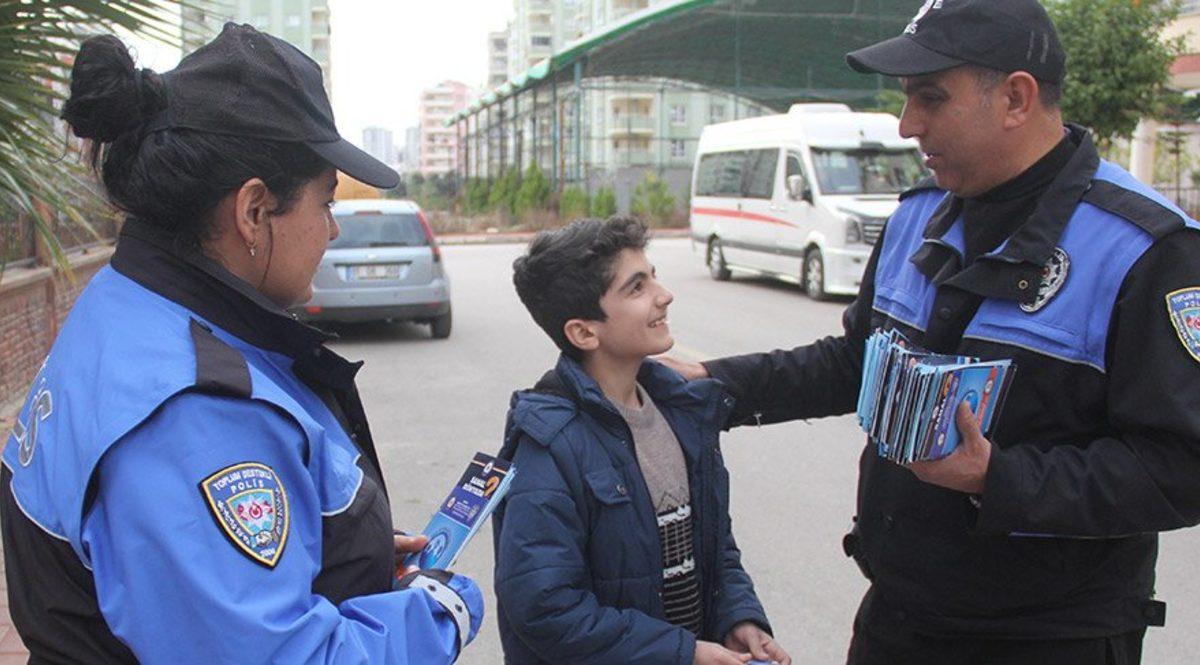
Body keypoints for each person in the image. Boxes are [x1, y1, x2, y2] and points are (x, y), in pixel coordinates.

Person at [660, 1, 1200, 663]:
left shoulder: (1144, 250)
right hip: (899, 616)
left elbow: (1181, 467)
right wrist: (716, 384)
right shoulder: (919, 215)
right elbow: (859, 363)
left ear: (1016, 98)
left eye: (930, 97)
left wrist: (996, 477)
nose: (907, 123)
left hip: (1049, 638)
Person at [0, 25, 482, 662]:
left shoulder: (132, 302)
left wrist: (337, 551)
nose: (332, 231)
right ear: (254, 211)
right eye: (325, 203)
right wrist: (443, 612)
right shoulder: (192, 411)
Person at [494, 217, 790, 665]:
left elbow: (713, 546)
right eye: (636, 288)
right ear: (584, 332)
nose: (663, 295)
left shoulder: (681, 411)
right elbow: (544, 608)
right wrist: (681, 651)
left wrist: (738, 618)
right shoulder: (549, 445)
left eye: (653, 276)